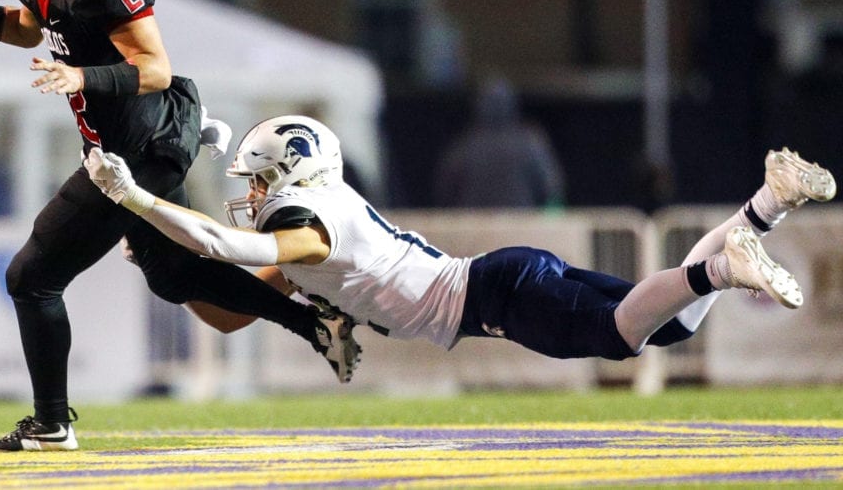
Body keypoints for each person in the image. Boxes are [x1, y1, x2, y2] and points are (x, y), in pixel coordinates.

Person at [0, 0, 358, 453]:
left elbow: (155, 67)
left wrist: (84, 76)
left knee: (32, 276)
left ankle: (51, 422)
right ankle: (313, 318)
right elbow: (27, 25)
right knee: (173, 273)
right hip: (121, 144)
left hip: (143, 145)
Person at [84, 114, 836, 372]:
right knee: (662, 321)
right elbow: (234, 309)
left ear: (286, 172)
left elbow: (227, 248)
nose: (249, 192)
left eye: (257, 178)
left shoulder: (308, 226)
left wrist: (140, 202)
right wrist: (163, 270)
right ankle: (766, 201)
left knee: (622, 336)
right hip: (497, 280)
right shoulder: (311, 230)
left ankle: (718, 267)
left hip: (493, 293)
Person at [434, 78, 564, 208]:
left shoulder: (465, 145)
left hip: (515, 223)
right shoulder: (467, 145)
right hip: (478, 223)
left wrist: (552, 221)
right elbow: (552, 191)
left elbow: (553, 193)